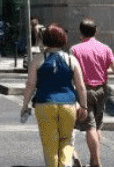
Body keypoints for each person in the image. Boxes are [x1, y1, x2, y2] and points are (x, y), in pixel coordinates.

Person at [20, 23, 88, 167]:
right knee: (67, 141)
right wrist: (84, 106)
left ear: (44, 39)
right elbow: (81, 86)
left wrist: (25, 105)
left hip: (44, 104)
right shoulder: (71, 60)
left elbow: (30, 85)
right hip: (68, 104)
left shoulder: (37, 60)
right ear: (63, 39)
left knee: (49, 143)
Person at [69, 18, 114, 167]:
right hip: (102, 90)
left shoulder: (75, 49)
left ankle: (96, 162)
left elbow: (70, 72)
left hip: (84, 91)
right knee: (96, 126)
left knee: (89, 127)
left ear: (80, 32)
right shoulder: (105, 48)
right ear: (96, 31)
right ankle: (93, 160)